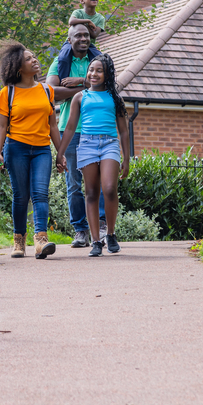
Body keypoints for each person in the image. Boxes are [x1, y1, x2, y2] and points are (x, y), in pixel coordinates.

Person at [0, 40, 67, 259]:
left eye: (34, 56)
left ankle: (41, 240)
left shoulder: (46, 90)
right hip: (16, 148)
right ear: (18, 67)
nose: (34, 60)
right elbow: (1, 126)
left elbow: (53, 125)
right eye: (28, 58)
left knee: (41, 193)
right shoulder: (8, 93)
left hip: (42, 149)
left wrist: (60, 153)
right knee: (21, 196)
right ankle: (18, 241)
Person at [55, 53, 130, 257]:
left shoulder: (115, 98)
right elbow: (70, 127)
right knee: (90, 192)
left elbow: (124, 130)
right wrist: (60, 152)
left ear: (107, 74)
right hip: (87, 144)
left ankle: (111, 234)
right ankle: (96, 241)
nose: (93, 73)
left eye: (99, 70)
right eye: (91, 70)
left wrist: (127, 159)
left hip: (109, 144)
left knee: (109, 189)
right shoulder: (80, 96)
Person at [47, 24, 105, 248]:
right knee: (73, 184)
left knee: (97, 182)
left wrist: (78, 82)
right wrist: (89, 86)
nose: (84, 38)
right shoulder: (61, 62)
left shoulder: (98, 60)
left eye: (86, 35)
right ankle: (80, 231)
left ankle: (100, 226)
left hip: (95, 128)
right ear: (69, 40)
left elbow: (108, 85)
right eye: (78, 35)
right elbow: (52, 92)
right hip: (68, 130)